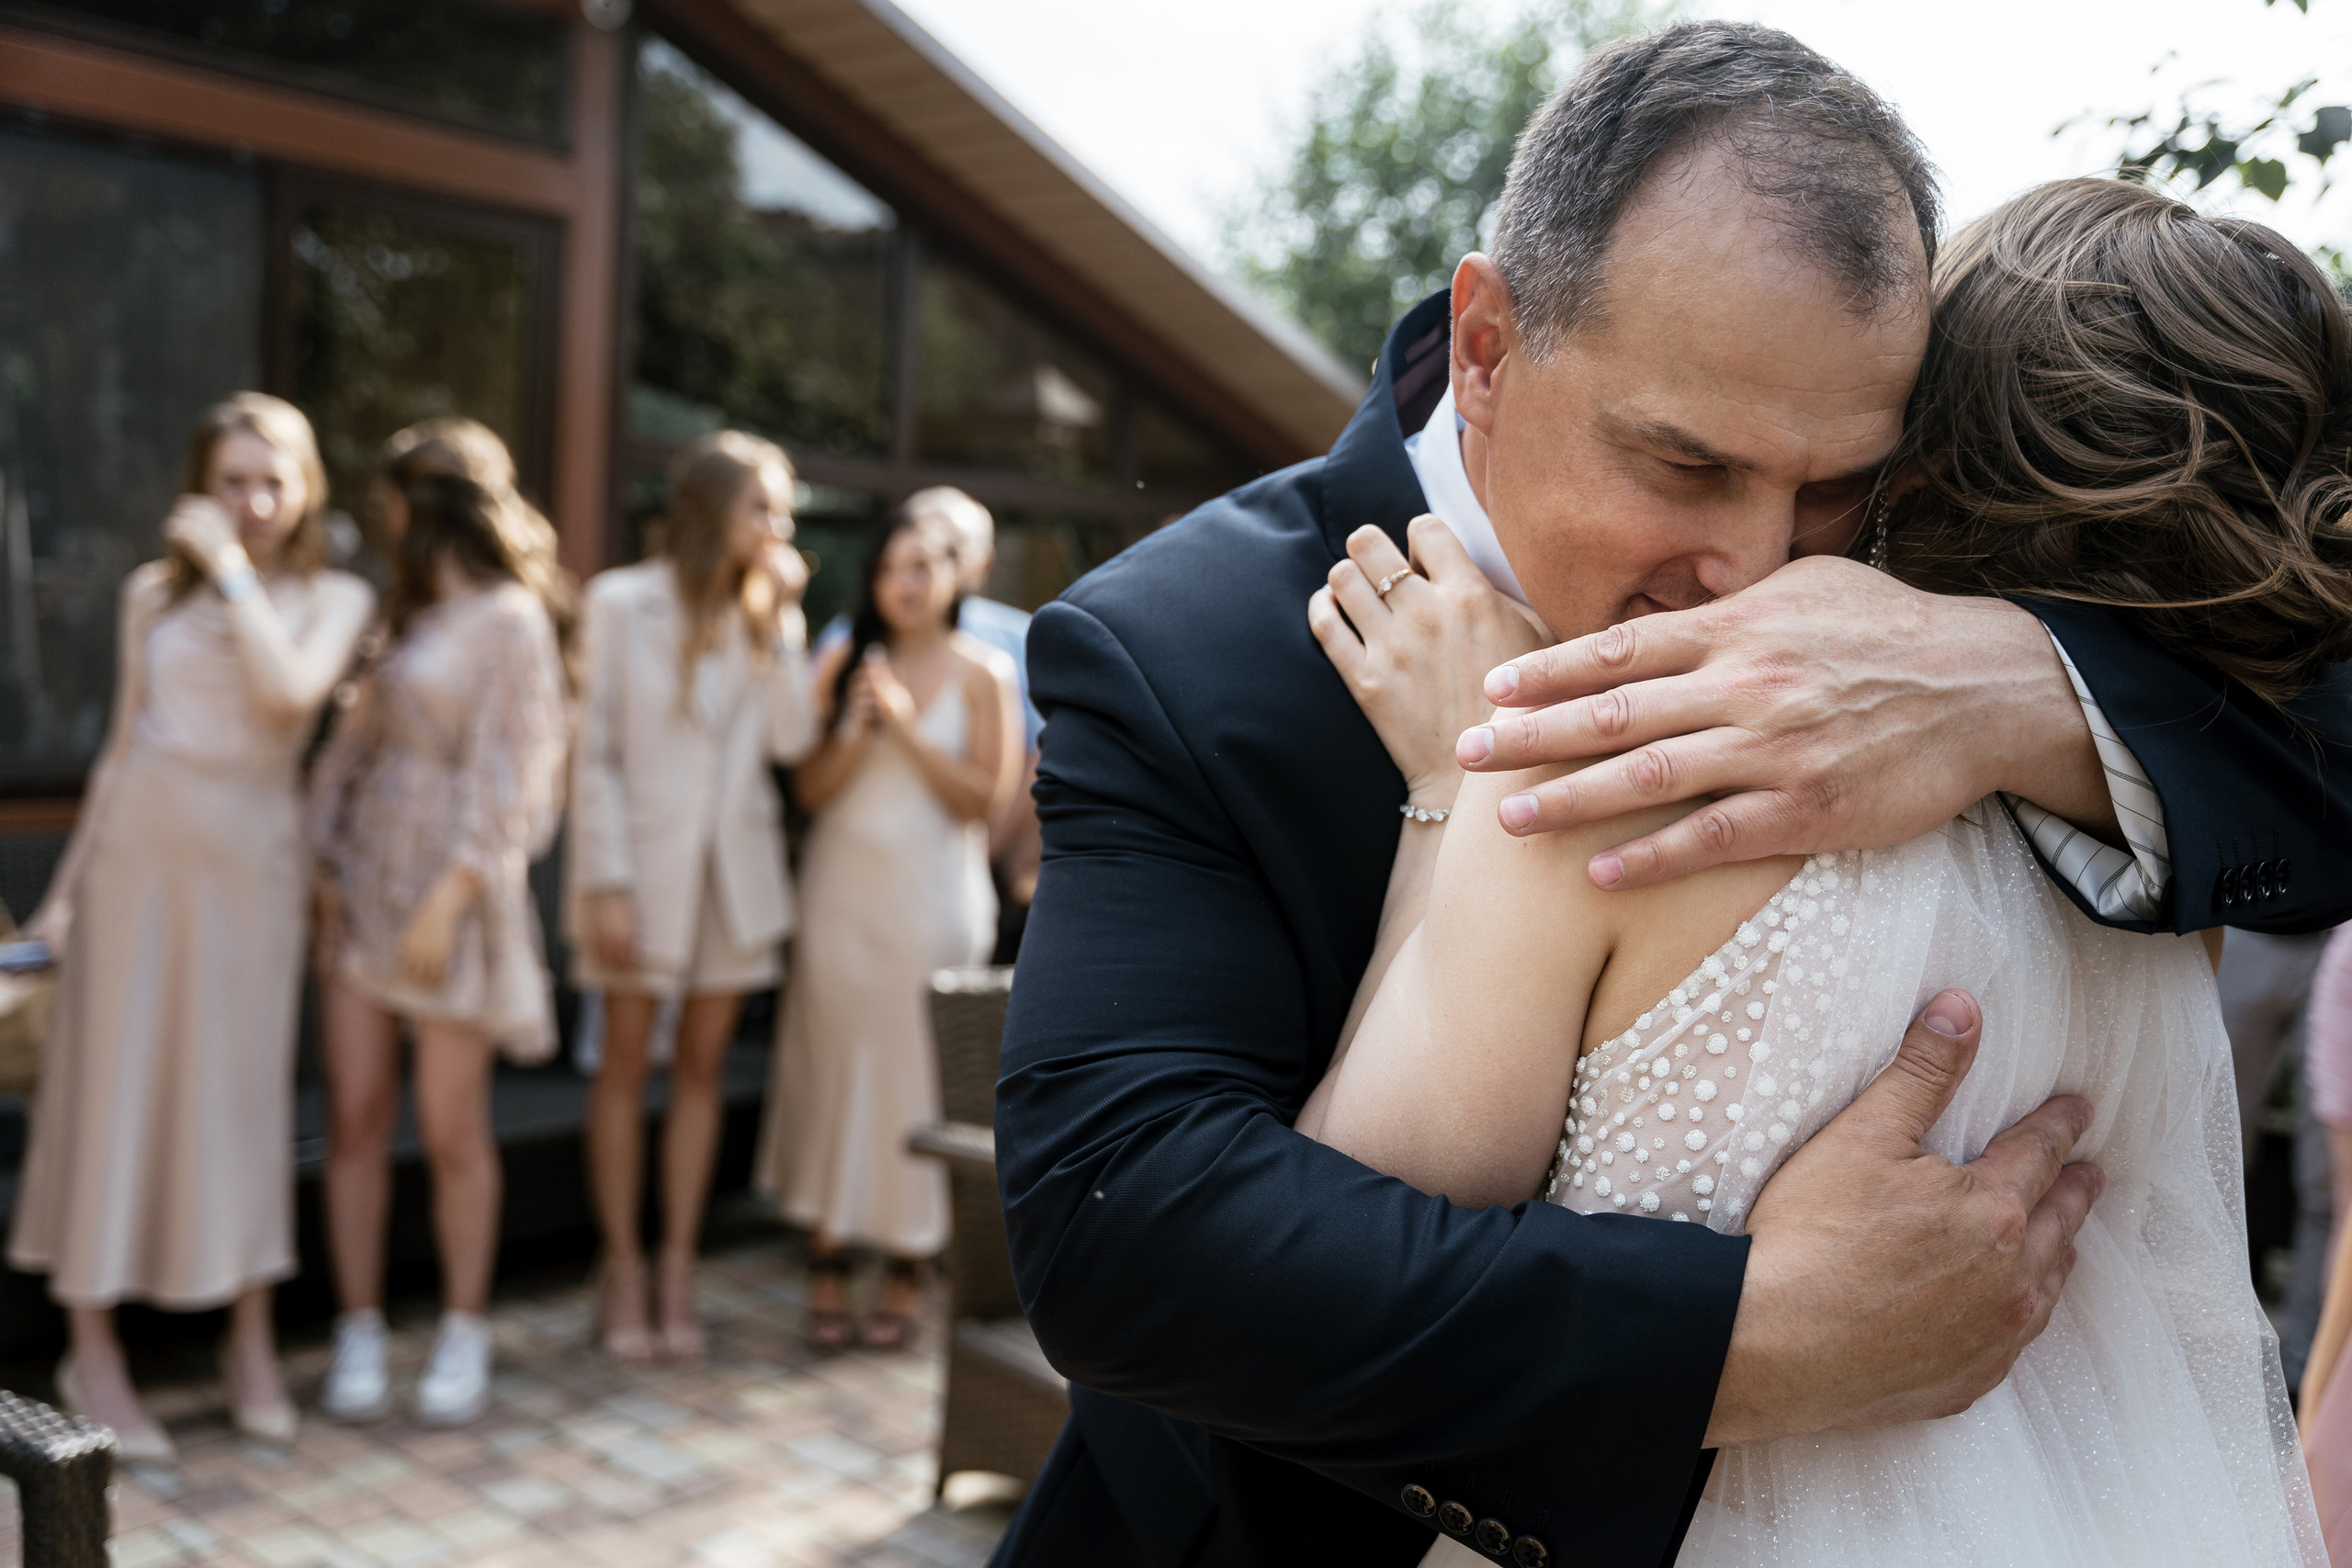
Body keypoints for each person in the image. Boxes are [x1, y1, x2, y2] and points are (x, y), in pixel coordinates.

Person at [989, 24, 2352, 1567]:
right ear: (1487, 347)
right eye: (1684, 467)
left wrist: (2013, 682)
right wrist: (1746, 1334)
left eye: (1834, 487)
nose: (1757, 568)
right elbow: (1126, 1237)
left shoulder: (1953, 619)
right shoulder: (1176, 647)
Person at [1307, 175, 2338, 1563]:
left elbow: (1349, 1244)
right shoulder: (2162, 880)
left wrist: (1451, 784)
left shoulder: (1600, 778)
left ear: (1913, 462)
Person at [6, 394, 374, 1462]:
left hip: (253, 873)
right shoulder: (147, 595)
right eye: (231, 481)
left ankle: (248, 1343)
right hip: (134, 864)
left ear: (305, 489)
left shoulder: (334, 595)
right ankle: (93, 1351)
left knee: (240, 1099)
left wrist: (233, 573)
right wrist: (65, 894)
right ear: (199, 486)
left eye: (272, 481)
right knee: (110, 1092)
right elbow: (121, 747)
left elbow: (289, 696)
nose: (252, 502)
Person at [307, 418, 571, 1427]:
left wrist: (451, 898)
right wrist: (325, 862)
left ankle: (463, 1328)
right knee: (355, 1117)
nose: (382, 517)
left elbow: (519, 779)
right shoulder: (405, 616)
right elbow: (352, 752)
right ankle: (359, 1325)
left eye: (390, 498)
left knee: (454, 1129)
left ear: (425, 504)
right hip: (367, 881)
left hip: (448, 900)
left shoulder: (511, 620)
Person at [568, 430, 818, 1361]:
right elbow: (590, 750)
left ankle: (677, 1265)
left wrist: (783, 622)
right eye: (764, 506)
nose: (779, 526)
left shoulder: (767, 615)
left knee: (703, 1072)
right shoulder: (617, 602)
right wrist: (605, 882)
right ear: (714, 508)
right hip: (639, 874)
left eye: (784, 509)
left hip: (734, 880)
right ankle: (622, 1265)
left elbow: (792, 743)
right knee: (625, 1067)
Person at [756, 507, 1021, 1349]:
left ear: (952, 575)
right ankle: (828, 1247)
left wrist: (905, 727)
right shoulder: (844, 659)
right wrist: (856, 729)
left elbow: (985, 801)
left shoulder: (984, 671)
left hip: (932, 906)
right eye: (887, 569)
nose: (901, 584)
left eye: (919, 567)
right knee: (833, 1067)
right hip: (840, 901)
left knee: (917, 1073)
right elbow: (810, 789)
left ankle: (911, 1259)